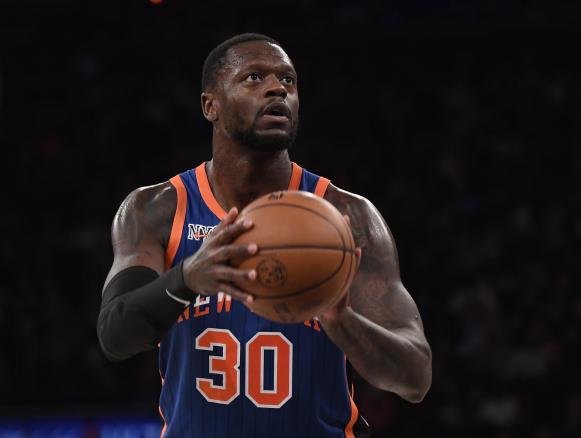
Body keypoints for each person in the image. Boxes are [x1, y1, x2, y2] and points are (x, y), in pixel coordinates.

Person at [97, 33, 432, 437]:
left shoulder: (348, 216)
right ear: (210, 106)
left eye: (288, 81)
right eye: (254, 77)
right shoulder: (156, 210)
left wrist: (342, 321)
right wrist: (186, 278)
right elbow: (115, 336)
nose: (278, 88)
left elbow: (415, 378)